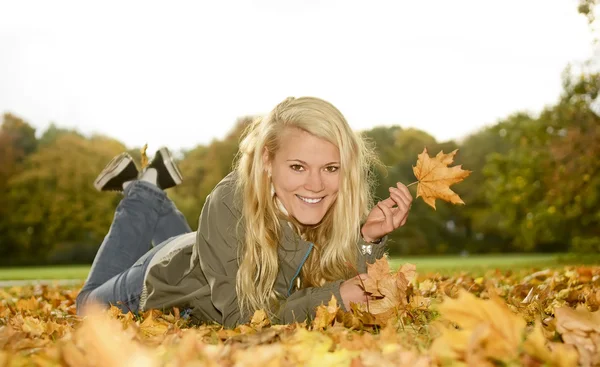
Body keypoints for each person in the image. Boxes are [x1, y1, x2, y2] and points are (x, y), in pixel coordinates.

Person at [76, 96, 413, 328]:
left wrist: (368, 238)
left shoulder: (335, 200)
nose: (316, 184)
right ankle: (146, 190)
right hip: (163, 280)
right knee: (87, 305)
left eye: (330, 168)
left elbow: (331, 276)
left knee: (204, 252)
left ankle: (151, 190)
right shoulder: (229, 202)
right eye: (297, 166)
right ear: (267, 160)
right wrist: (337, 297)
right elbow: (244, 319)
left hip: (206, 251)